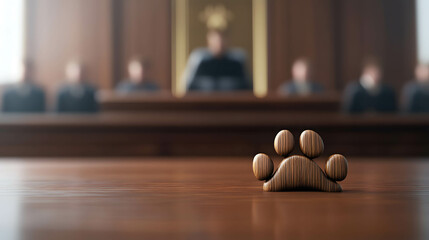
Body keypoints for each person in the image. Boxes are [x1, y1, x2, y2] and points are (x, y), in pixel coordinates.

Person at [184, 29, 252, 92]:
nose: (219, 43)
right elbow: (189, 86)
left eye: (222, 40)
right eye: (216, 40)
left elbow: (246, 87)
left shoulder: (237, 61)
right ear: (208, 40)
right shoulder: (199, 59)